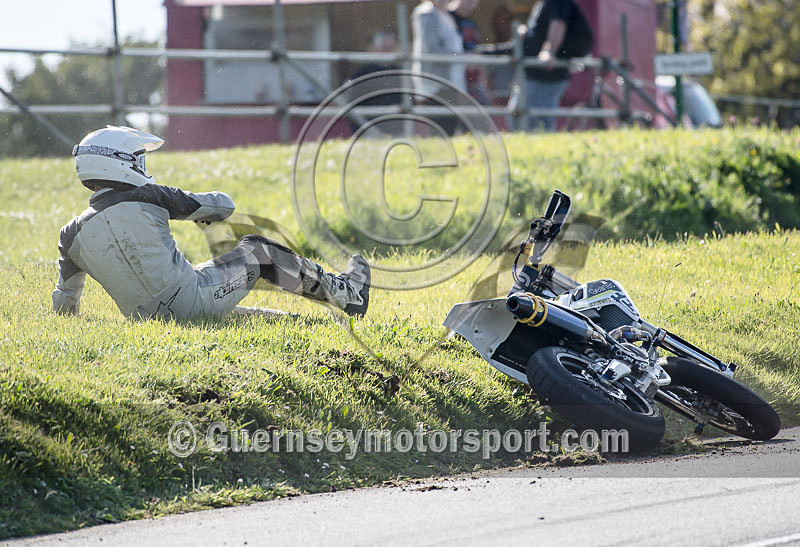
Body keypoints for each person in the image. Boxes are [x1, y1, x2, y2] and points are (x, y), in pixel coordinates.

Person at [53, 126, 371, 320]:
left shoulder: (70, 235)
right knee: (258, 251)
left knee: (204, 281)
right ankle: (350, 294)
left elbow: (65, 302)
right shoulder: (150, 195)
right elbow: (223, 206)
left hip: (146, 319)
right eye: (139, 158)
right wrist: (197, 212)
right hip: (193, 299)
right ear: (122, 162)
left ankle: (286, 320)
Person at [523, 0, 593, 131]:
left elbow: (559, 23)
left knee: (538, 123)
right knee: (524, 118)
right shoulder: (545, 3)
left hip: (546, 75)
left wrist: (549, 51)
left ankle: (542, 150)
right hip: (538, 74)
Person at [448, 0, 491, 105]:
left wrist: (484, 83)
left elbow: (477, 54)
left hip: (473, 80)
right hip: (454, 78)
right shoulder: (446, 17)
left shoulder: (471, 23)